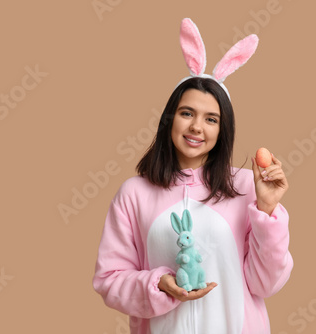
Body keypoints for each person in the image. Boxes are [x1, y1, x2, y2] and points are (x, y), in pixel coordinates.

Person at [93, 18, 293, 334]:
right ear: (170, 119)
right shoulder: (134, 193)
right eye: (187, 113)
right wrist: (158, 284)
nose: (197, 127)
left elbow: (266, 283)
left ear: (222, 129)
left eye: (211, 119)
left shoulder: (244, 187)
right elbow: (108, 280)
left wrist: (267, 210)